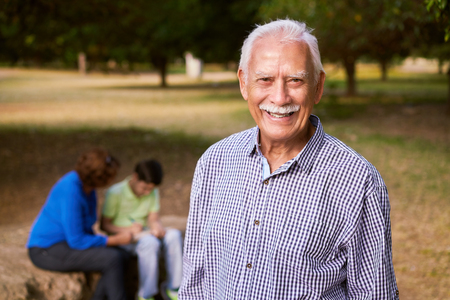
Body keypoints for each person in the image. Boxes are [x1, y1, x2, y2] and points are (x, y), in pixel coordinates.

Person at [179, 19, 399, 299]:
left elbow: (375, 295)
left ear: (317, 87)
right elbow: (196, 280)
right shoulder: (214, 162)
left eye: (295, 80)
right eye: (265, 80)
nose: (280, 98)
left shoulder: (358, 180)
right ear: (244, 84)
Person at [27, 148, 133, 300]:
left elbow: (85, 230)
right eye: (111, 175)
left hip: (67, 243)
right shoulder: (71, 191)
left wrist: (112, 243)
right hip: (46, 249)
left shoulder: (88, 189)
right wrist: (114, 240)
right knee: (112, 259)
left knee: (123, 255)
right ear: (99, 178)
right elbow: (77, 240)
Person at [101, 159, 183, 300]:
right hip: (125, 237)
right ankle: (146, 295)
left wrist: (156, 225)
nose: (147, 192)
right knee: (150, 243)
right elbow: (104, 225)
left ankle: (174, 288)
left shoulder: (152, 191)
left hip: (144, 233)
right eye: (144, 188)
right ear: (135, 177)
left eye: (150, 189)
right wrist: (127, 229)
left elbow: (153, 217)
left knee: (174, 235)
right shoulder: (115, 192)